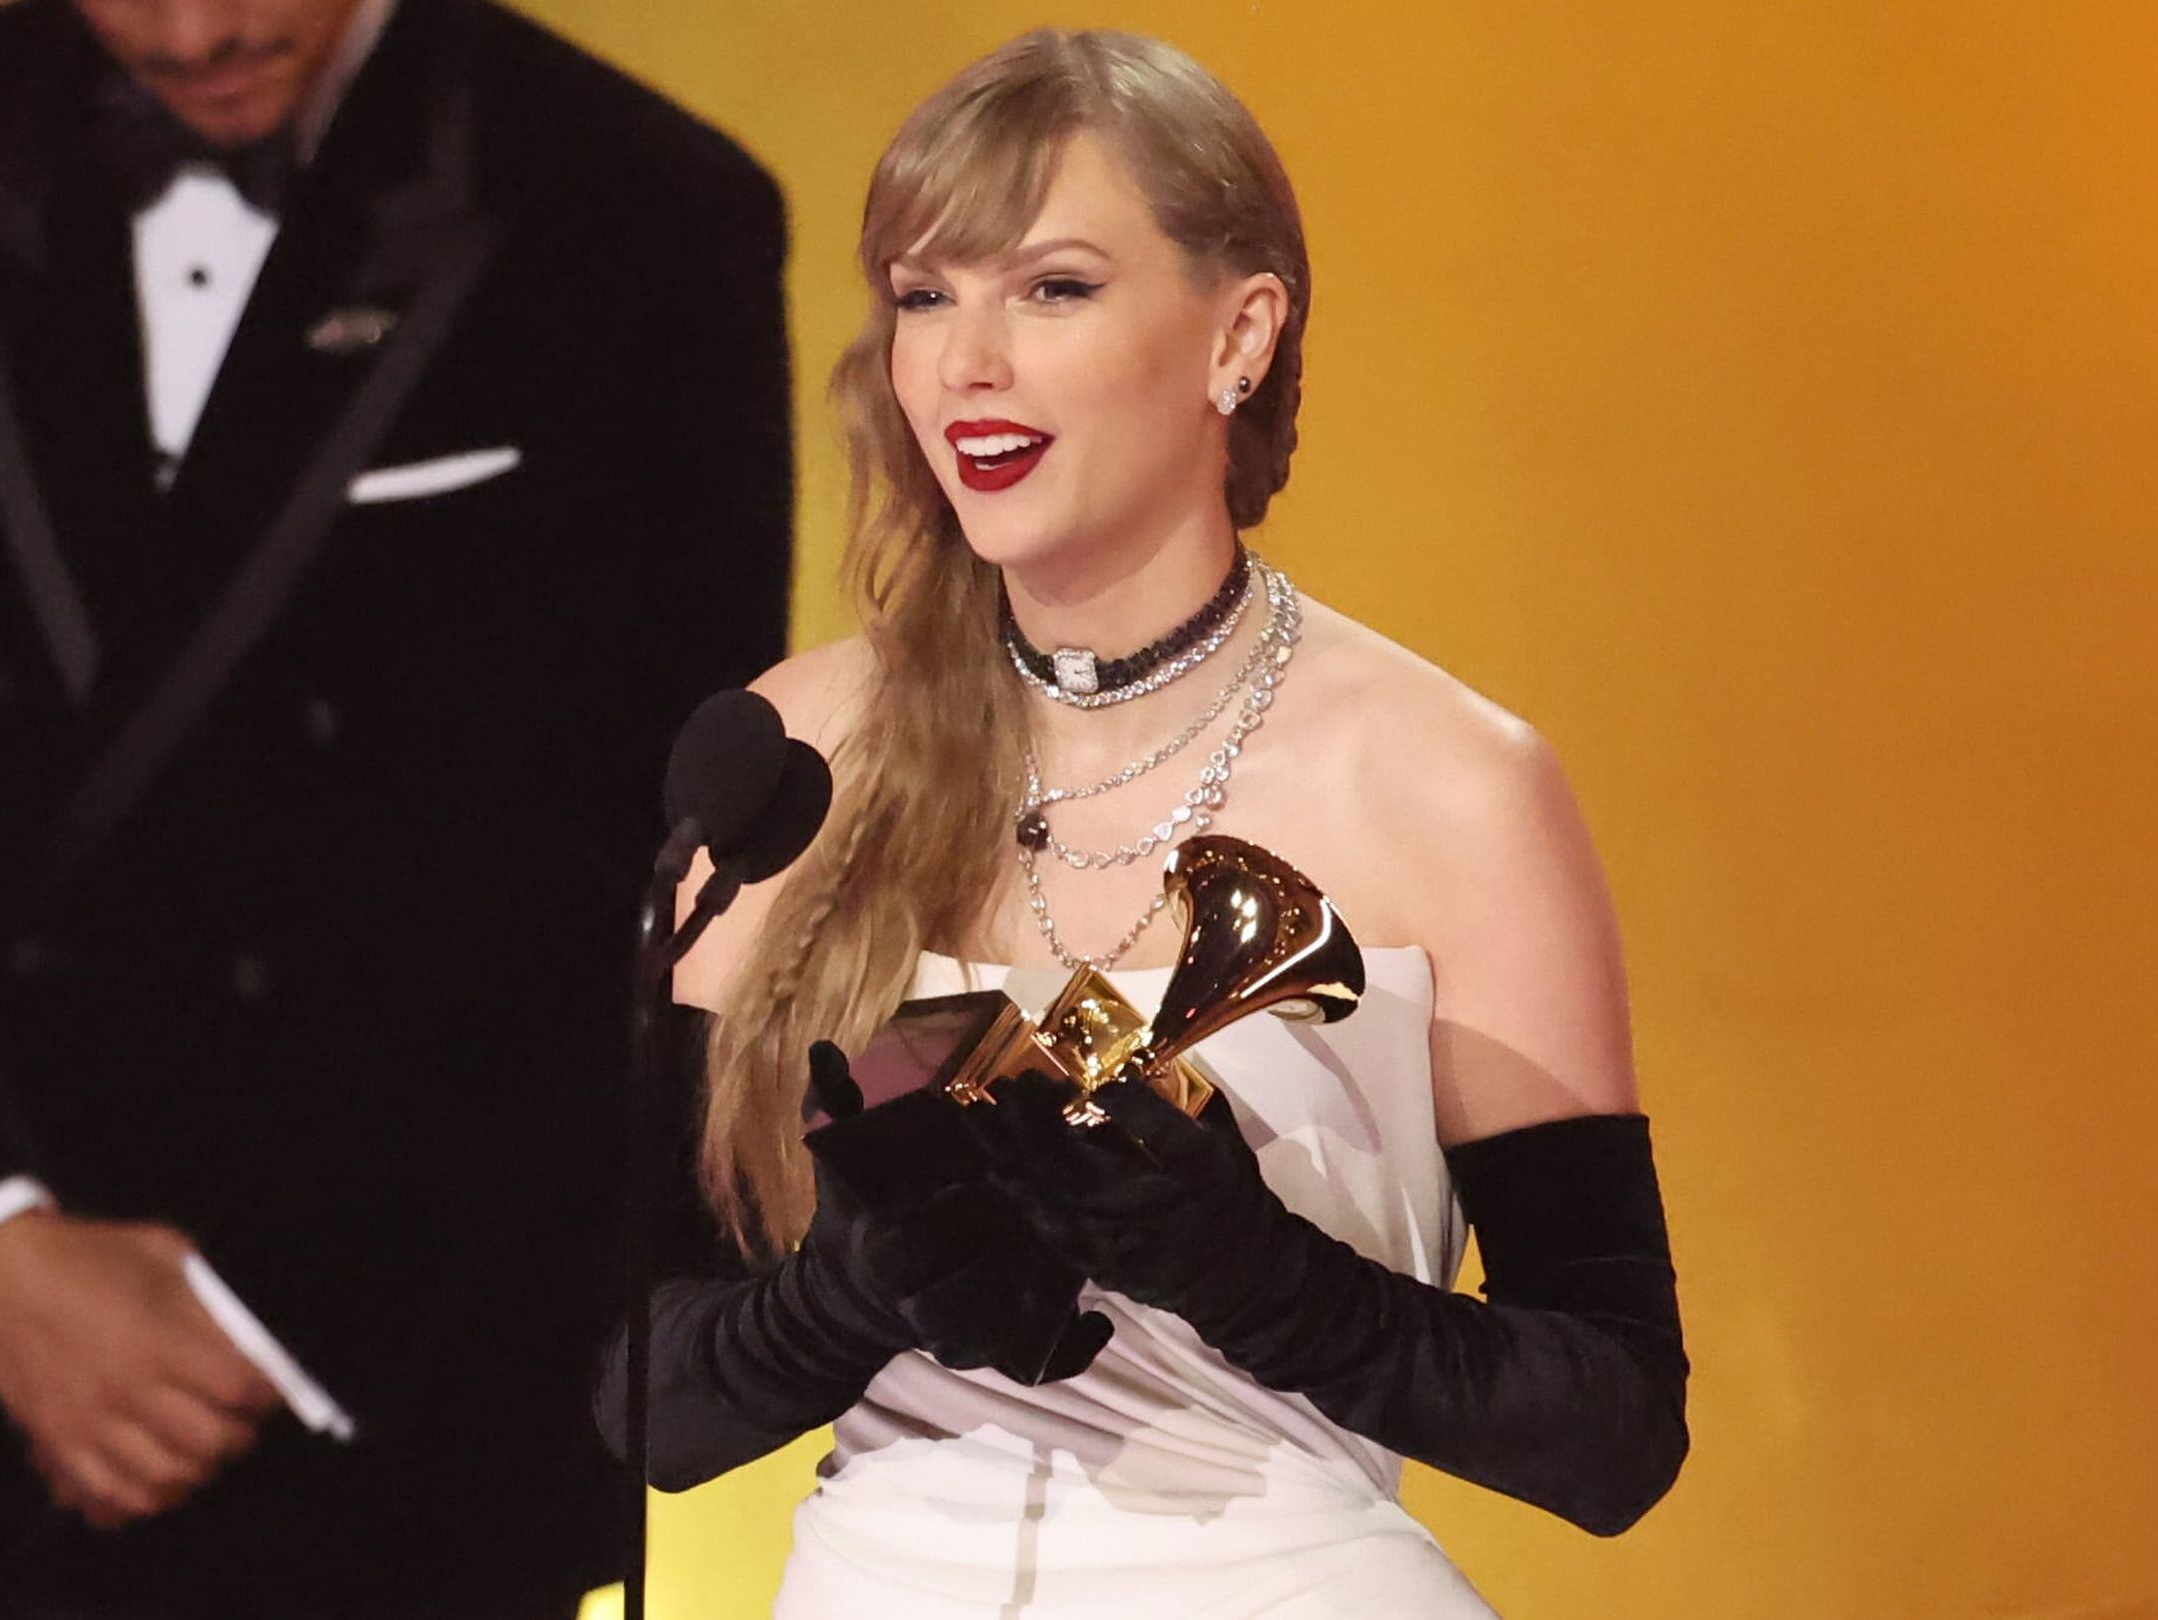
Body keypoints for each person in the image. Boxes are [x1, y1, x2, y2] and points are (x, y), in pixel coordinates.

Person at [598, 28, 1688, 1618]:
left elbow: (1613, 1434)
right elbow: (641, 1402)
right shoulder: (799, 756)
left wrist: (1264, 1280)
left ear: (1238, 336)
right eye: (922, 295)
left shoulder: (1453, 786)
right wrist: (842, 1304)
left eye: (1050, 289)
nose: (966, 361)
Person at [0, 0, 791, 1611]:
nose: (190, 32)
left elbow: (643, 866)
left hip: (387, 1426)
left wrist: (260, 1322)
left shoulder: (642, 203)